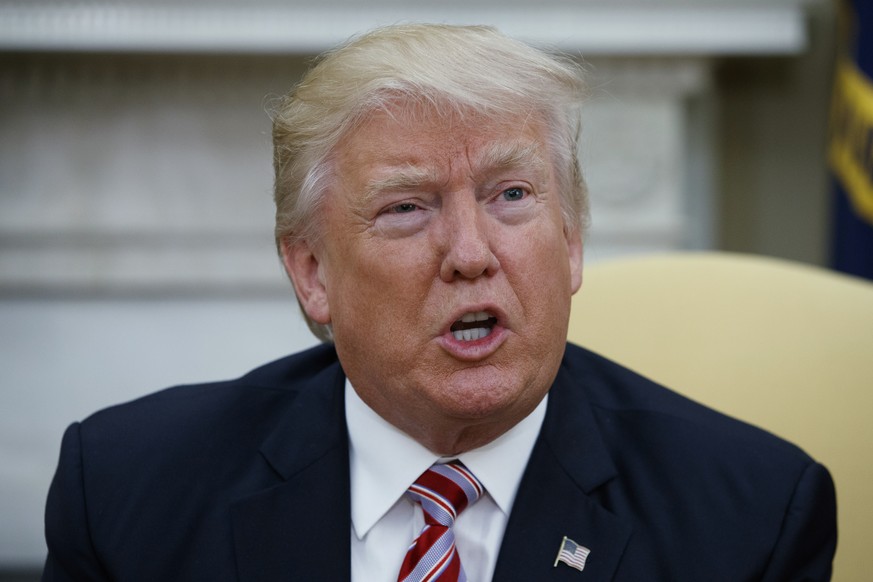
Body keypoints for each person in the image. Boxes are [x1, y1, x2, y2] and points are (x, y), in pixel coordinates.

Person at [42, 24, 836, 581]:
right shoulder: (127, 488)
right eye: (406, 207)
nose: (470, 253)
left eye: (512, 195)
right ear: (312, 271)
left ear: (570, 242)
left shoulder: (749, 514)